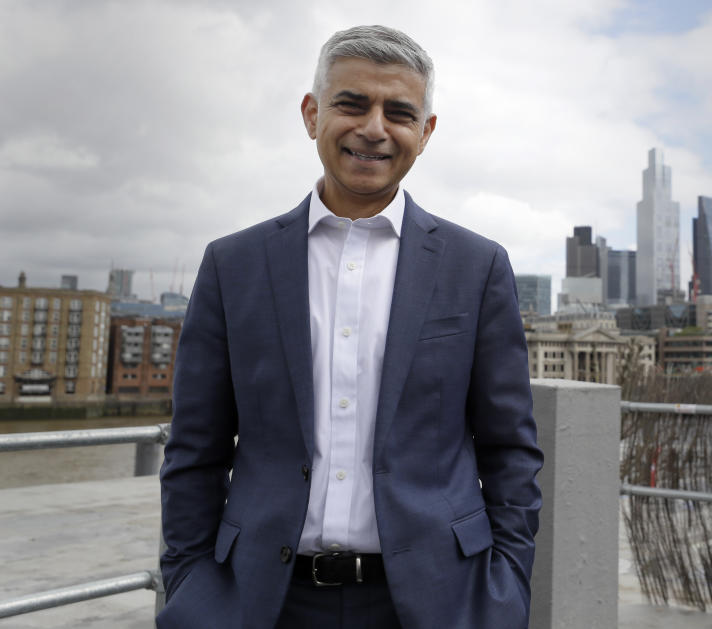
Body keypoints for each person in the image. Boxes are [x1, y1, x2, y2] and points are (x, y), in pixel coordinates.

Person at [157, 25, 543, 629]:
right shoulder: (233, 265)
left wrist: (506, 591)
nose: (374, 128)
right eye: (352, 103)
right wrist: (190, 585)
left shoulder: (478, 266)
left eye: (399, 112)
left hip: (439, 601)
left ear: (426, 132)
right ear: (312, 115)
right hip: (260, 602)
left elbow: (511, 450)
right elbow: (194, 452)